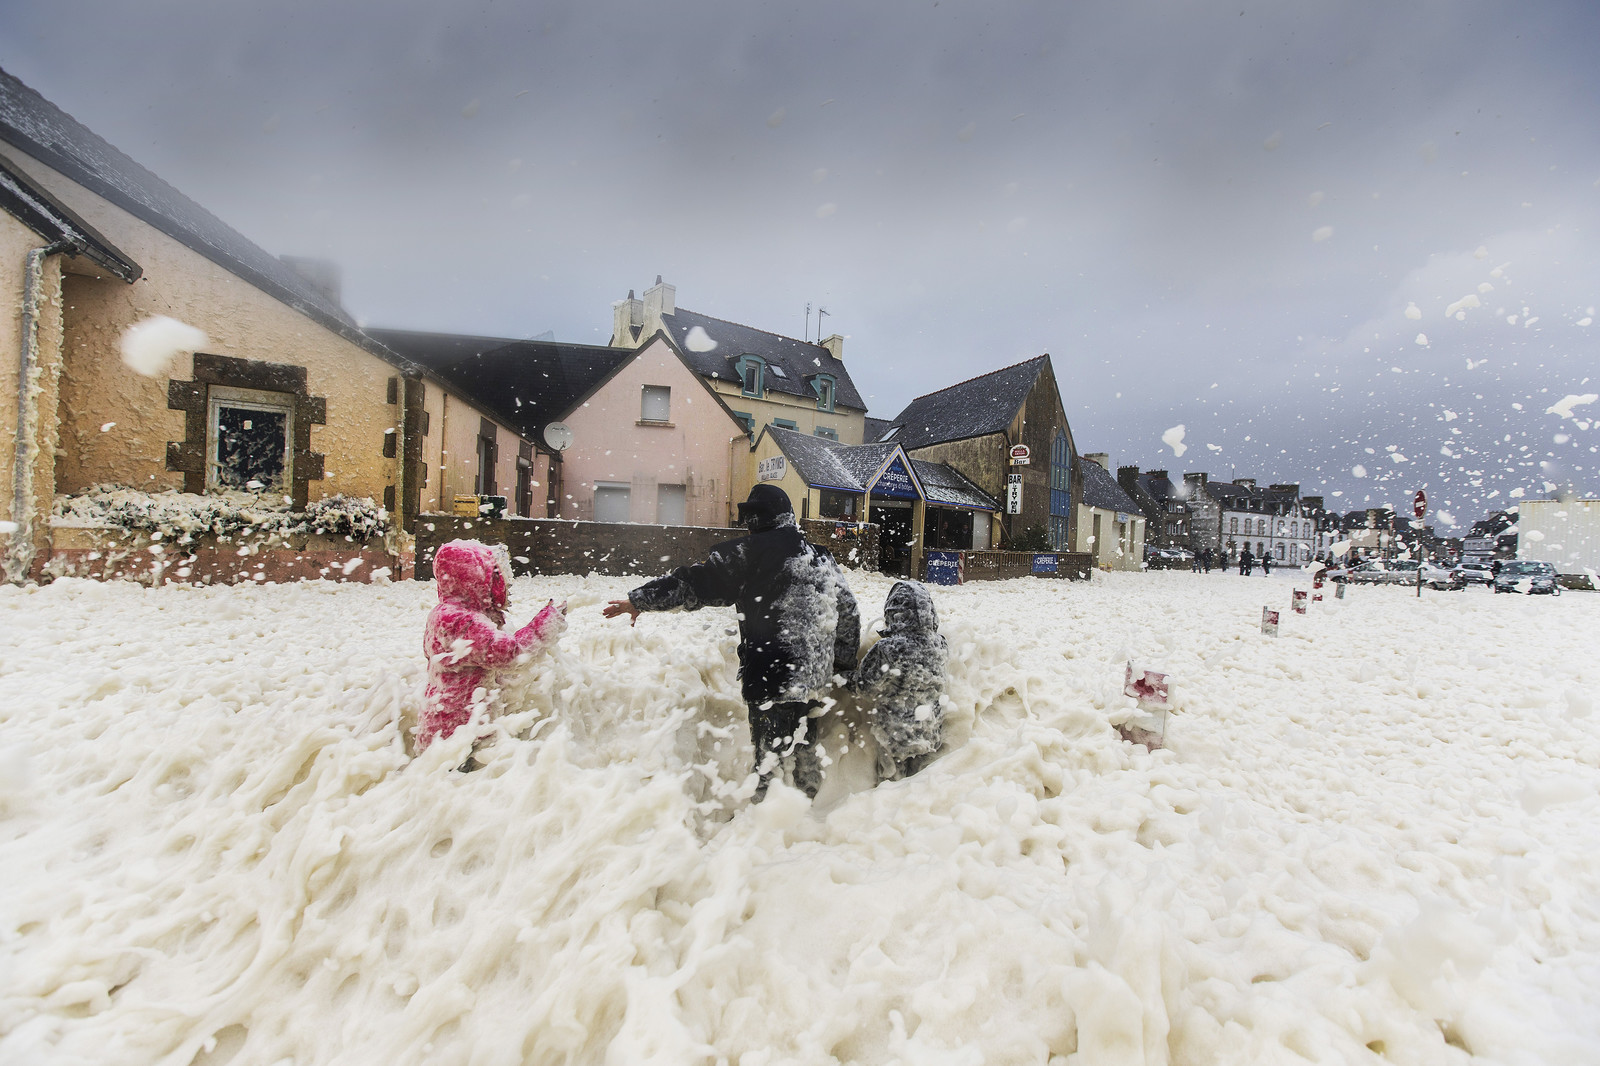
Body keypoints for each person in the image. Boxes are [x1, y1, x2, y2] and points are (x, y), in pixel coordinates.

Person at [604, 485, 859, 800]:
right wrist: (843, 665)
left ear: (753, 520)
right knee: (805, 749)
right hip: (814, 677)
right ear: (788, 516)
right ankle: (807, 809)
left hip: (771, 676)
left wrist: (640, 600)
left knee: (770, 761)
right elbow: (846, 610)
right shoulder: (820, 556)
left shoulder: (745, 554)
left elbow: (693, 584)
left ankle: (767, 823)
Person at [420, 540, 566, 752]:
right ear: (472, 579)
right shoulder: (461, 622)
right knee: (459, 782)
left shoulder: (448, 614)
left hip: (447, 727)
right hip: (457, 733)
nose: (501, 584)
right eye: (494, 577)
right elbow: (512, 654)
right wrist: (547, 622)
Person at [855, 580, 948, 781]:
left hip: (895, 737)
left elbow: (863, 688)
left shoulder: (888, 648)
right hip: (931, 732)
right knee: (924, 787)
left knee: (892, 793)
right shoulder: (940, 644)